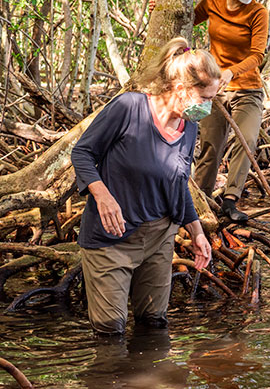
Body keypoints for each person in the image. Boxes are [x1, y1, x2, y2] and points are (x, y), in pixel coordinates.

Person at [71, 37, 216, 335]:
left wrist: (198, 233)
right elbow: (82, 153)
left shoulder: (190, 126)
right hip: (111, 239)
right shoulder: (128, 107)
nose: (208, 107)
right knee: (111, 331)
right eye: (205, 99)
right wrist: (103, 196)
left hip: (160, 238)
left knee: (154, 325)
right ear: (181, 90)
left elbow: (179, 186)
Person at [192, 0, 269, 221]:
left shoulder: (258, 12)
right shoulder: (212, 3)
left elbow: (257, 55)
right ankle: (199, 199)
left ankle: (230, 200)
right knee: (211, 146)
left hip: (247, 89)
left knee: (246, 140)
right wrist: (159, 9)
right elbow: (185, 20)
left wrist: (231, 71)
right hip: (214, 89)